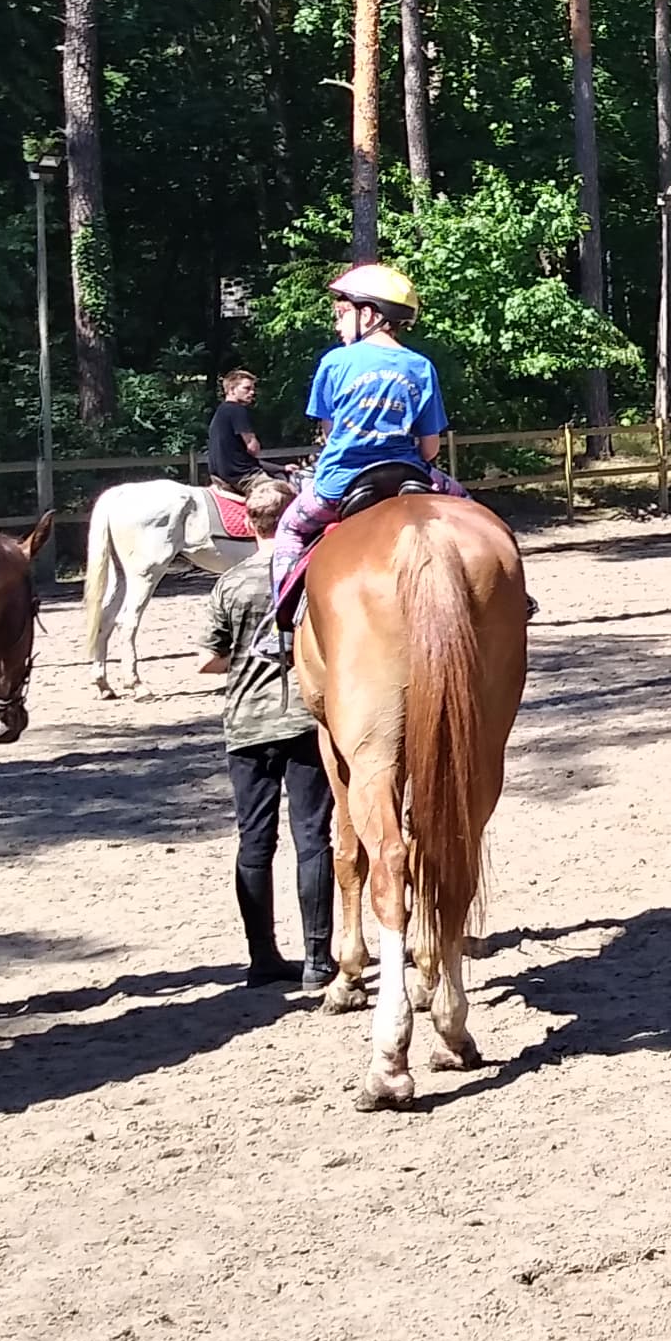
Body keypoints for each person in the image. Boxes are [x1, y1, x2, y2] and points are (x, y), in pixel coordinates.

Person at [200, 490, 335, 990]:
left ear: (249, 524)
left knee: (254, 843)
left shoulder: (230, 583)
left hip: (246, 725)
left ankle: (262, 957)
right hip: (303, 720)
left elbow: (208, 658)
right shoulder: (313, 576)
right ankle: (318, 960)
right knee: (312, 839)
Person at [270, 263, 457, 607]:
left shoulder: (335, 362)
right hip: (409, 476)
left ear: (368, 315)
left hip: (339, 484)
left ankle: (277, 623)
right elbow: (429, 448)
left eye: (342, 313)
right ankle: (512, 594)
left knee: (290, 530)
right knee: (471, 512)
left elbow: (330, 433)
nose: (337, 324)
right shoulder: (421, 367)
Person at [203, 369, 267, 499]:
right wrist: (254, 440)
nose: (252, 392)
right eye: (246, 389)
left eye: (253, 389)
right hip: (242, 477)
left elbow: (241, 456)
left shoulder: (221, 412)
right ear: (232, 390)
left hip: (220, 476)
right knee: (284, 494)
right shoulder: (237, 410)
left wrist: (282, 468)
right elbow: (253, 448)